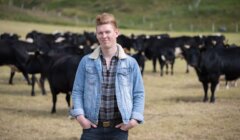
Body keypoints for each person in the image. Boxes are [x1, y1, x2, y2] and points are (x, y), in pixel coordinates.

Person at [71, 12, 145, 140]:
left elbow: (138, 93)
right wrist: (80, 117)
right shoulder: (86, 61)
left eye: (107, 32)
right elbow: (77, 91)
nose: (104, 36)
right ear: (96, 35)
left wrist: (134, 119)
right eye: (100, 33)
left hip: (119, 128)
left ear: (116, 32)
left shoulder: (131, 63)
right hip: (92, 127)